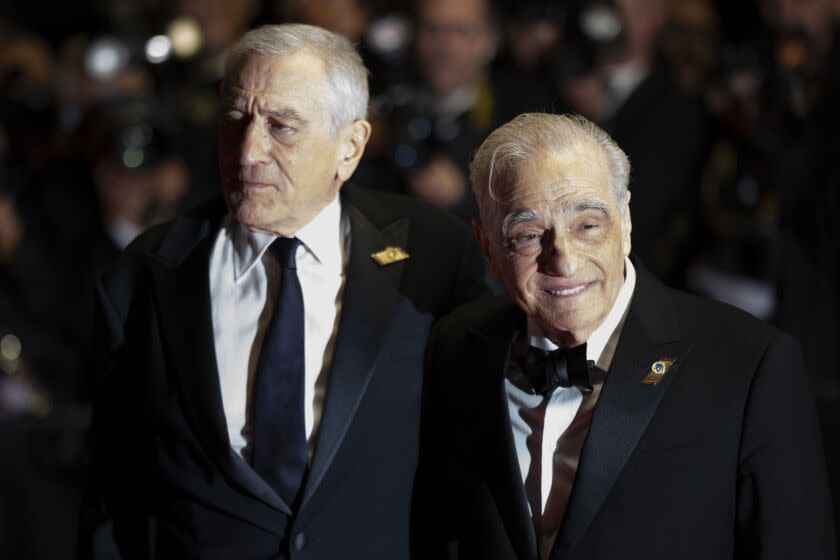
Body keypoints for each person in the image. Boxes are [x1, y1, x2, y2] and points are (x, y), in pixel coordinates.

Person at [80, 24, 486, 559]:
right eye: (235, 120)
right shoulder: (143, 276)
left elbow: (474, 467)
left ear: (350, 146)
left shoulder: (433, 255)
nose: (249, 151)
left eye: (281, 126)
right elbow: (113, 495)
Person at [416, 113, 835, 559]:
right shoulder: (457, 347)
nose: (564, 259)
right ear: (487, 248)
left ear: (626, 220)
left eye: (588, 225)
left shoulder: (748, 364)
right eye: (528, 235)